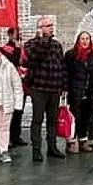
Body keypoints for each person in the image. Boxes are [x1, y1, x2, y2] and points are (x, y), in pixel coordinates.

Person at [25, 16, 68, 162]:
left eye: (51, 25)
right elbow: (35, 57)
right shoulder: (31, 44)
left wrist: (64, 85)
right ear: (40, 28)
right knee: (37, 119)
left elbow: (62, 65)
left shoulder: (57, 45)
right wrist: (43, 41)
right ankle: (36, 149)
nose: (51, 28)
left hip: (54, 88)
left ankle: (52, 147)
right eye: (47, 25)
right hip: (39, 88)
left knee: (53, 120)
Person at [66, 32, 93, 153]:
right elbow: (67, 74)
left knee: (86, 117)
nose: (85, 41)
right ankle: (70, 142)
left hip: (89, 91)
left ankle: (82, 141)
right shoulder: (71, 54)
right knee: (74, 118)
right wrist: (66, 89)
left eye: (87, 39)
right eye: (82, 39)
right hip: (75, 91)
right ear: (78, 40)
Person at [1, 27, 29, 149]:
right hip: (10, 84)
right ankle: (8, 138)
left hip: (22, 84)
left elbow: (26, 63)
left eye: (20, 34)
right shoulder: (4, 49)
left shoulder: (24, 48)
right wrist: (17, 49)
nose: (19, 36)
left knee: (19, 111)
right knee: (9, 112)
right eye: (17, 34)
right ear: (10, 35)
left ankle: (16, 136)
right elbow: (12, 63)